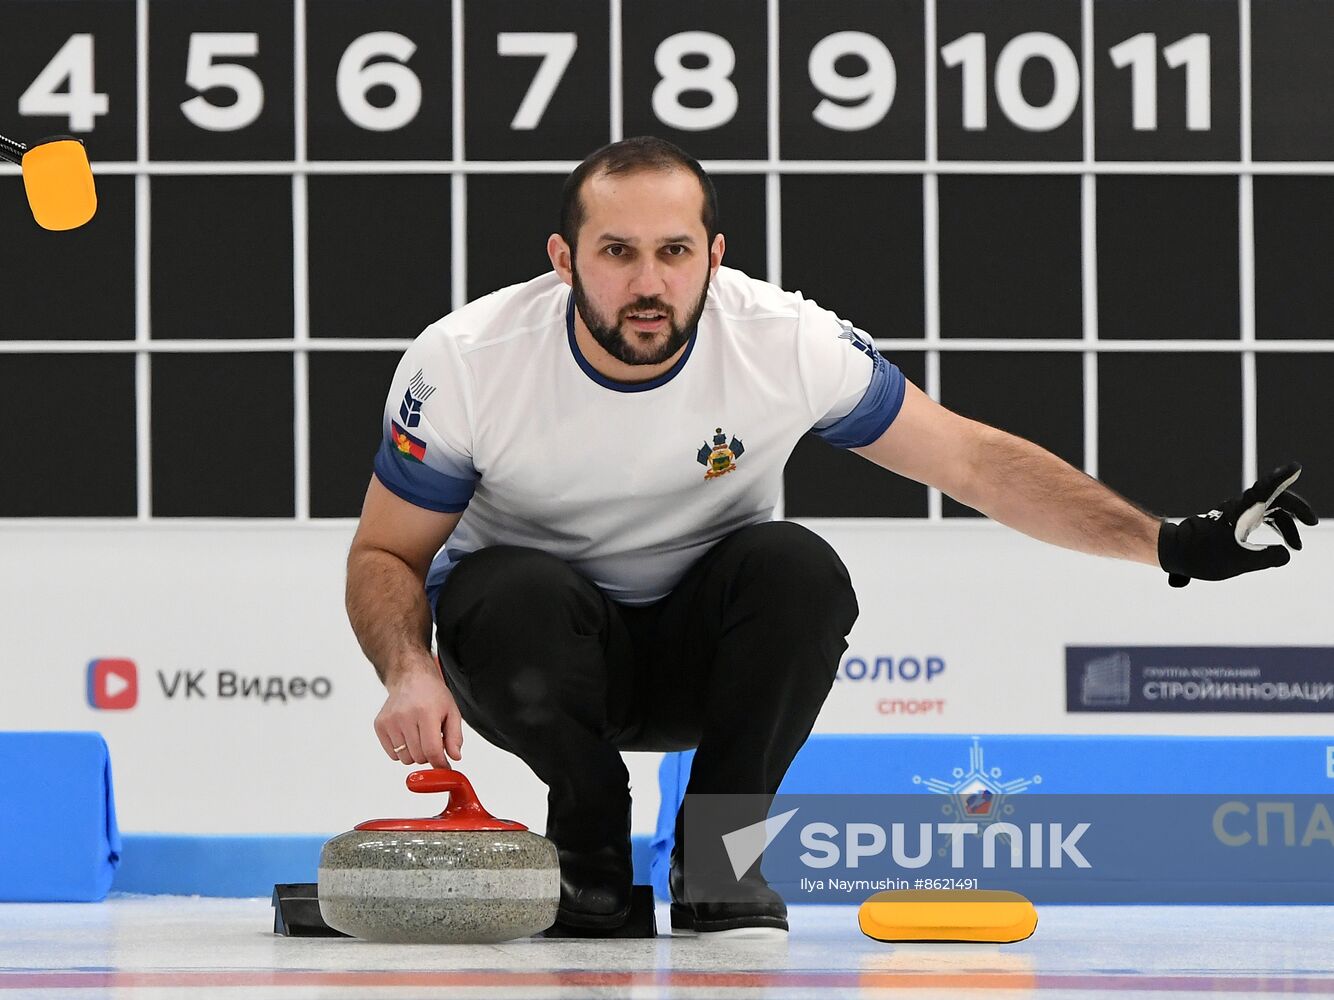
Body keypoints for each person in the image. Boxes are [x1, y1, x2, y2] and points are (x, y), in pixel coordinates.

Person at [344, 136, 1315, 936]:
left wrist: (1165, 543)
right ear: (563, 262)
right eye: (616, 252)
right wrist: (406, 667)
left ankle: (721, 862)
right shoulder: (468, 361)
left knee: (795, 569)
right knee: (508, 587)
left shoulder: (782, 343)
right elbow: (386, 554)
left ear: (714, 256)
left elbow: (970, 461)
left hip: (700, 663)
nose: (648, 282)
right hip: (535, 661)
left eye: (674, 252)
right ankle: (590, 856)